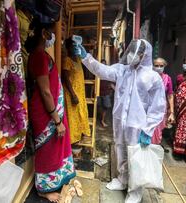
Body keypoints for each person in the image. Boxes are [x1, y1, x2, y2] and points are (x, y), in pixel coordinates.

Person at [76, 39, 166, 203]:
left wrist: (148, 130)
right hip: (120, 120)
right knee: (120, 150)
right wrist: (85, 56)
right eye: (130, 51)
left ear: (143, 55)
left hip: (138, 125)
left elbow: (158, 106)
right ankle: (122, 179)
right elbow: (102, 70)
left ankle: (135, 191)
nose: (131, 55)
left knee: (135, 158)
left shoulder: (153, 77)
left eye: (136, 52)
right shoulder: (123, 70)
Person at [25, 18, 76, 202]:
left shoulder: (42, 55)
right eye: (52, 31)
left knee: (54, 148)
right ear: (44, 34)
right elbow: (45, 92)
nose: (55, 35)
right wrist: (57, 120)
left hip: (51, 112)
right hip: (46, 114)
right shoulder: (38, 56)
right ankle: (43, 190)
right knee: (46, 150)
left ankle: (54, 178)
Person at [61, 37, 90, 145]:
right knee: (73, 116)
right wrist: (73, 94)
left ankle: (79, 135)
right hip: (72, 93)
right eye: (73, 46)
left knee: (81, 114)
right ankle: (73, 140)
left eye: (75, 46)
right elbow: (66, 78)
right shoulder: (67, 60)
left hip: (80, 92)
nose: (75, 48)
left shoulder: (77, 59)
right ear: (68, 48)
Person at [152, 58, 175, 144]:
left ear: (164, 66)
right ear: (152, 66)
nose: (159, 67)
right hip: (148, 109)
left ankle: (155, 147)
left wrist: (172, 112)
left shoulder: (167, 78)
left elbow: (170, 95)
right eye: (156, 65)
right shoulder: (148, 77)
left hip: (160, 109)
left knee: (158, 131)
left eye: (161, 66)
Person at [99, 59, 115, 127]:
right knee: (99, 106)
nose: (103, 65)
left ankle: (102, 120)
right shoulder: (97, 72)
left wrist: (116, 90)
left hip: (106, 93)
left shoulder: (108, 73)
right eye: (102, 64)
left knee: (106, 107)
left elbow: (111, 83)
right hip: (98, 93)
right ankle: (100, 119)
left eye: (104, 64)